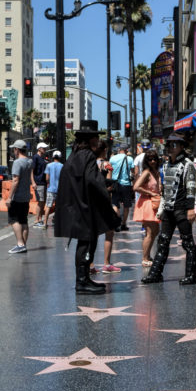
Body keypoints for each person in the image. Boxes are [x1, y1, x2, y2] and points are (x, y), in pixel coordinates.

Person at [54, 120, 120, 293]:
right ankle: (82, 281)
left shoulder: (74, 155)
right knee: (87, 243)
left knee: (84, 242)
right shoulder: (88, 155)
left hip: (74, 205)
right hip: (85, 206)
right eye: (96, 137)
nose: (97, 140)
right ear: (90, 139)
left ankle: (83, 279)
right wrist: (105, 190)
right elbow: (92, 180)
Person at [142, 134, 196, 286]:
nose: (170, 148)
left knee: (187, 242)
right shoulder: (166, 165)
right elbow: (165, 189)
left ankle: (191, 275)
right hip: (168, 209)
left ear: (181, 147)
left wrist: (191, 208)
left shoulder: (188, 164)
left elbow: (191, 187)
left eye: (174, 145)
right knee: (163, 241)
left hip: (182, 208)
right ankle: (155, 274)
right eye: (168, 145)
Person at [93, 139, 120, 272]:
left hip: (92, 201)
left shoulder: (90, 164)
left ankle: (90, 265)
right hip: (103, 201)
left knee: (93, 234)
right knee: (109, 232)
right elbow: (108, 185)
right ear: (104, 150)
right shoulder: (106, 164)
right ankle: (106, 264)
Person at [133, 149, 161, 267]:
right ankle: (145, 258)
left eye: (154, 158)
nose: (153, 161)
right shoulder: (146, 172)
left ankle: (148, 255)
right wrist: (150, 193)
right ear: (146, 161)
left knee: (155, 231)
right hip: (147, 203)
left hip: (154, 203)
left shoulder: (156, 171)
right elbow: (136, 187)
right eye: (150, 159)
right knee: (149, 232)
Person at [8, 140, 33, 254]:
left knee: (14, 220)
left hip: (17, 197)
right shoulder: (29, 161)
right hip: (26, 196)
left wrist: (9, 197)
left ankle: (20, 244)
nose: (13, 151)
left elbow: (15, 180)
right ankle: (23, 245)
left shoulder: (17, 163)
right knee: (24, 221)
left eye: (14, 149)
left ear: (17, 150)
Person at [109, 143, 134, 231]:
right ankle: (123, 224)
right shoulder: (130, 159)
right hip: (126, 184)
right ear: (127, 150)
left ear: (119, 150)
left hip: (115, 184)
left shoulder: (112, 158)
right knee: (126, 206)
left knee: (115, 203)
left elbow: (110, 171)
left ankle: (117, 222)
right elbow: (132, 171)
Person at [43, 150, 63, 229]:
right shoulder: (62, 166)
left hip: (51, 189)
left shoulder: (49, 165)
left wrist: (48, 183)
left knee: (48, 206)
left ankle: (45, 223)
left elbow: (47, 178)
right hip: (59, 190)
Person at [31, 142, 49, 227]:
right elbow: (32, 170)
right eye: (43, 148)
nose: (45, 149)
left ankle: (40, 219)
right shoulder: (35, 157)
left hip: (43, 182)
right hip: (38, 182)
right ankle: (36, 220)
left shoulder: (42, 158)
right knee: (40, 201)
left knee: (43, 202)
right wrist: (33, 182)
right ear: (39, 149)